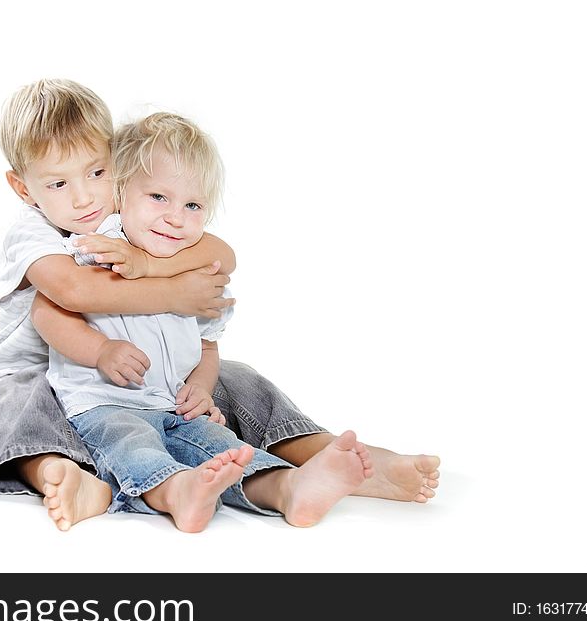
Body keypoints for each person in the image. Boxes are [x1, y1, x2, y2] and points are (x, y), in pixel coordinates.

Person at [0, 78, 440, 531]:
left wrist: (156, 275)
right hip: (54, 378)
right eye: (58, 184)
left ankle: (336, 459)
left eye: (97, 171)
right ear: (25, 188)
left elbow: (219, 255)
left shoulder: (135, 215)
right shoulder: (38, 232)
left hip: (155, 383)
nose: (85, 195)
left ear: (119, 165)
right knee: (16, 404)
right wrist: (174, 292)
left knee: (239, 381)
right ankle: (61, 474)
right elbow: (67, 296)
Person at [34, 112, 374, 532]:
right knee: (131, 444)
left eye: (192, 205)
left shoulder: (197, 277)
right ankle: (178, 492)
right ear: (121, 192)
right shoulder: (101, 248)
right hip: (104, 402)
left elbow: (208, 344)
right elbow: (48, 314)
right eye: (158, 197)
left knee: (223, 448)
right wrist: (100, 350)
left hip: (176, 404)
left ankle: (288, 487)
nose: (176, 217)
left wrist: (201, 385)